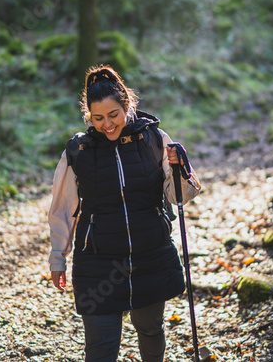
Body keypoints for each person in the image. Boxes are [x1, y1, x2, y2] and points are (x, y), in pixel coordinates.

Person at [48, 64, 200, 362]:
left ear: (127, 105)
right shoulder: (77, 151)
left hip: (150, 256)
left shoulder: (154, 139)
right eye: (98, 118)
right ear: (88, 116)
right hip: (97, 263)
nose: (107, 125)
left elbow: (178, 196)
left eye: (113, 115)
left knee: (151, 332)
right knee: (101, 350)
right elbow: (62, 209)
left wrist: (181, 169)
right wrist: (57, 257)